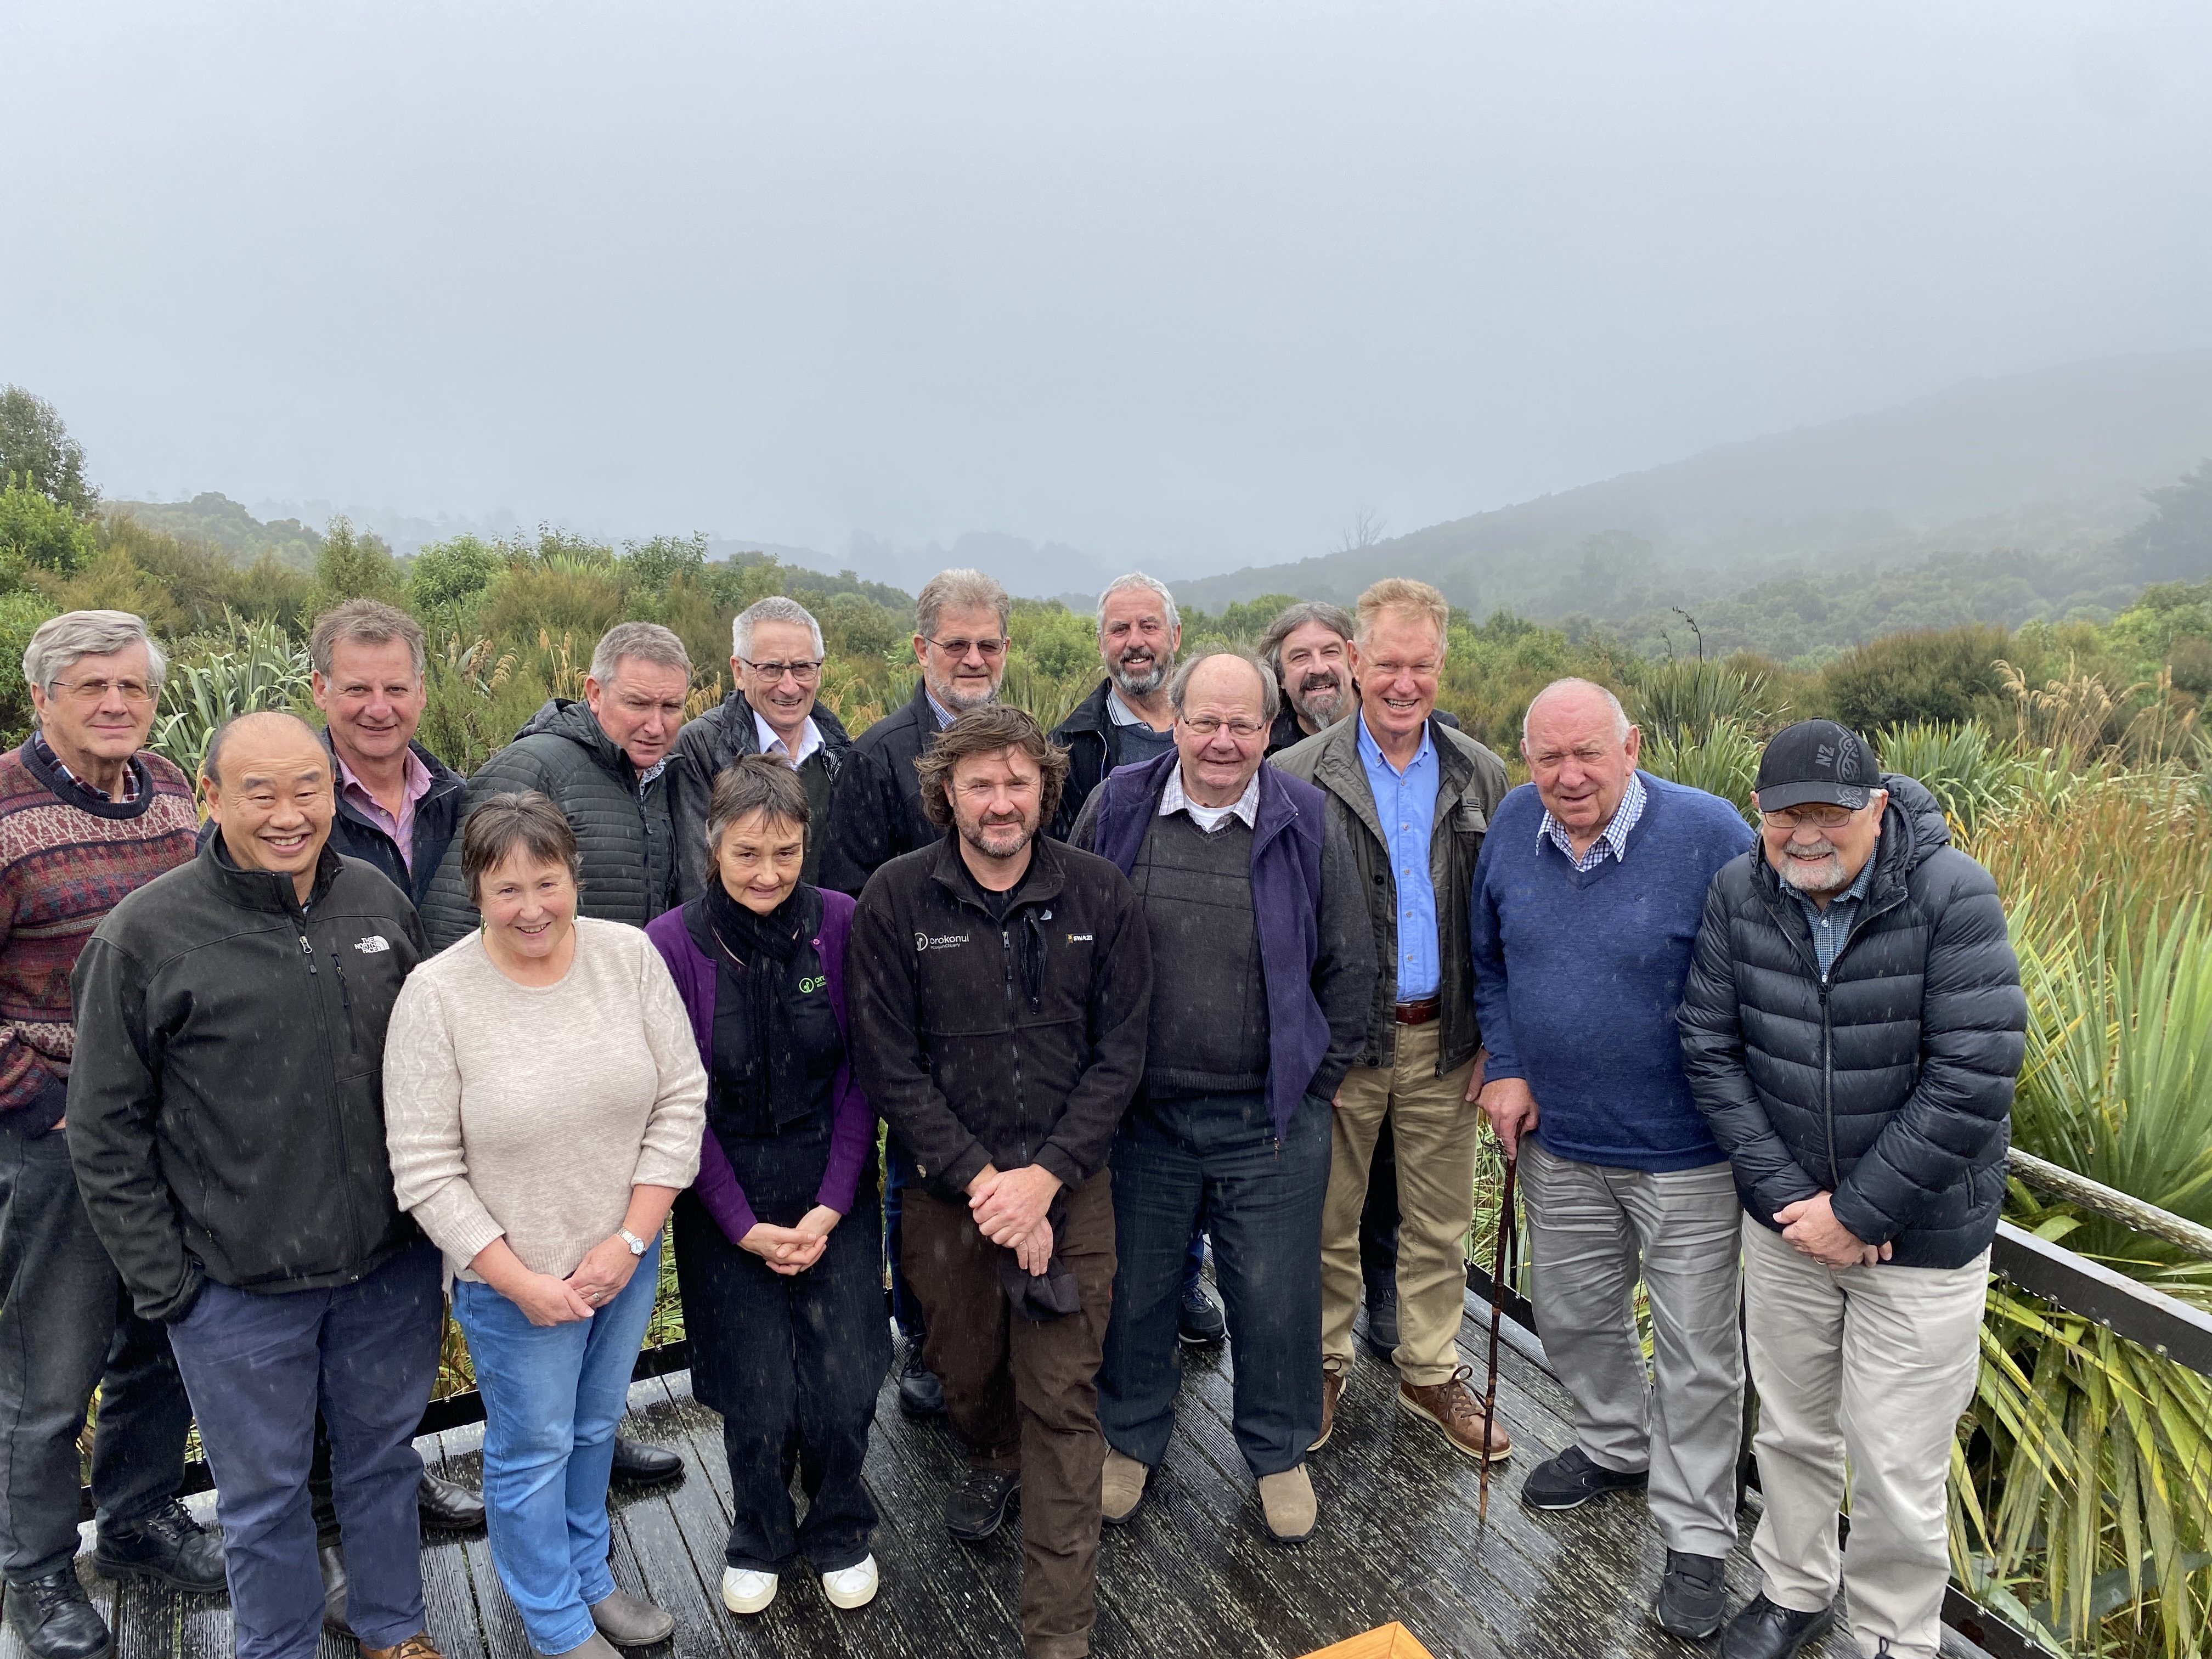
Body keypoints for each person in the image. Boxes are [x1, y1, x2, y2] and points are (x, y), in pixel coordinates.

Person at [67, 711, 443, 1659]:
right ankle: (276, 1646)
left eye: (306, 786)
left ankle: (392, 1626)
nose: (288, 813)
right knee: (263, 1494)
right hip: (234, 1288)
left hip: (388, 1269)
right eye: (259, 791)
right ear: (209, 795)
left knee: (382, 1462)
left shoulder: (375, 900)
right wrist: (171, 1287)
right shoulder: (145, 936)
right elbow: (106, 1131)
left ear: (333, 787)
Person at [1679, 719, 2026, 1659]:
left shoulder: (1951, 893)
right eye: (1784, 812)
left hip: (1916, 1241)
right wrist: (1797, 1200)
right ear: (1759, 813)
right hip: (1789, 1226)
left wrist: (1860, 1210)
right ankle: (1793, 1589)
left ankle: (1888, 1632)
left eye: (1828, 812)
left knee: (1896, 1459)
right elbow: (1708, 1048)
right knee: (1789, 1429)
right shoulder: (1737, 891)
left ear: (1876, 806)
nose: (1804, 833)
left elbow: (1976, 1071)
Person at [849, 706, 1149, 1659]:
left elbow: (1122, 1054)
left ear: (1044, 789)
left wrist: (1045, 1180)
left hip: (1074, 1191)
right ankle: (988, 1448)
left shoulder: (1100, 894)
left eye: (1018, 781)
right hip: (949, 1197)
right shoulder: (896, 900)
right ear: (946, 793)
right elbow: (888, 1063)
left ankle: (1056, 1633)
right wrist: (990, 1182)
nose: (1000, 801)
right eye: (979, 783)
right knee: (965, 1371)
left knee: (1062, 1399)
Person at [383, 792, 707, 1659]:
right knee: (532, 1450)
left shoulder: (629, 958)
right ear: (475, 894)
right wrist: (520, 1282)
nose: (532, 908)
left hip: (623, 1260)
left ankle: (589, 1573)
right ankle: (556, 1621)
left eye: (548, 883)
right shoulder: (437, 995)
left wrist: (631, 1241)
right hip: (511, 1283)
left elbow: (680, 1100)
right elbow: (423, 1168)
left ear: (575, 877)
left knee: (597, 1427)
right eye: (507, 890)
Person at [1469, 678, 1756, 1641]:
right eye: (1547, 756)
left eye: (1587, 752)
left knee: (1696, 1355)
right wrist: (1504, 1064)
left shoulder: (1710, 832)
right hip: (1563, 1143)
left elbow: (1764, 968)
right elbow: (1492, 963)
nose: (1568, 774)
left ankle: (1696, 1535)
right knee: (1577, 1315)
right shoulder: (1514, 825)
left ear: (1630, 745)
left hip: (1688, 1153)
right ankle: (1614, 1443)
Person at [1070, 651, 1373, 1544]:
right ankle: (1128, 1440)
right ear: (1175, 718)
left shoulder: (1306, 819)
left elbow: (1350, 967)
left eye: (1243, 723)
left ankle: (1277, 1452)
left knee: (1275, 1294)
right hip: (1143, 1118)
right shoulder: (1119, 804)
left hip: (1269, 1122)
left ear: (1268, 729)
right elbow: (1074, 935)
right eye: (1205, 719)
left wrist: (1313, 1087)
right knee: (1136, 1288)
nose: (1222, 739)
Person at [413, 623, 695, 1488]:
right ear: (595, 690)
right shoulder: (530, 771)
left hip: (618, 1061)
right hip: (532, 1081)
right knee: (537, 1378)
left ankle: (594, 1441)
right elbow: (464, 923)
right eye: (637, 702)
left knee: (612, 1285)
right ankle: (563, 1471)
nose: (654, 722)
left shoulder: (665, 777)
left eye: (672, 706)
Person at [0, 612, 222, 1659]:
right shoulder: (4, 809)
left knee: (159, 1334)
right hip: (51, 1131)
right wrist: (38, 1103)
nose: (116, 704)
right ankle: (36, 1570)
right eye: (92, 686)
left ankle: (138, 1516)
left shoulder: (172, 786)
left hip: (170, 1124)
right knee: (47, 1371)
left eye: (132, 686)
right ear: (41, 695)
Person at [1272, 578, 1513, 1465]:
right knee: (1326, 1218)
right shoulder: (1295, 775)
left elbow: (1494, 919)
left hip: (1442, 1038)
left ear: (1439, 664)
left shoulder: (1481, 772)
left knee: (1440, 1219)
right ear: (1355, 661)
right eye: (1387, 663)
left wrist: (1494, 1038)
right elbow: (1277, 927)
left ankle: (1427, 1367)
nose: (1403, 682)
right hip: (1338, 1041)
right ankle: (1324, 1363)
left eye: (1421, 665)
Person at [648, 758, 889, 1618]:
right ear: (713, 847)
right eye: (747, 853)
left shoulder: (843, 925)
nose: (767, 873)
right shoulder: (670, 944)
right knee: (754, 1381)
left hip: (836, 1176)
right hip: (722, 1187)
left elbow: (866, 1073)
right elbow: (679, 1101)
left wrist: (833, 1199)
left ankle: (839, 1524)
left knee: (847, 1370)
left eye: (785, 852)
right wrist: (742, 1223)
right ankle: (758, 1531)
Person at [820, 567, 1013, 1419]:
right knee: (921, 1182)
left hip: (1016, 1019)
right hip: (924, 1020)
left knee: (1007, 1174)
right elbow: (851, 892)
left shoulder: (1021, 745)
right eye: (956, 645)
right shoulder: (876, 755)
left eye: (988, 645)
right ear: (921, 648)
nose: (972, 660)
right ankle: (928, 1342)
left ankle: (1005, 1332)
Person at [1260, 599, 1405, 1357]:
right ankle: (1311, 1338)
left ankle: (1386, 1291)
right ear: (1279, 680)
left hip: (1402, 1000)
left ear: (1353, 658)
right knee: (1319, 1176)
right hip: (1308, 1005)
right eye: (1296, 658)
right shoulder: (1268, 762)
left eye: (1327, 651)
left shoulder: (1414, 749)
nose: (1316, 668)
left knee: (1392, 1169)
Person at [672, 596, 854, 897]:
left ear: (819, 671)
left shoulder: (838, 751)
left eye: (802, 667)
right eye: (771, 668)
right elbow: (699, 875)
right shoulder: (701, 746)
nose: (789, 685)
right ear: (739, 672)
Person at [308, 599, 467, 907]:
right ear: (321, 690)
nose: (380, 710)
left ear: (420, 691)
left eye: (396, 689)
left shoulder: (457, 802)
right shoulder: (281, 810)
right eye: (358, 690)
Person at [1048, 572, 1181, 837]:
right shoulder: (1066, 749)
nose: (1135, 642)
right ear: (1101, 644)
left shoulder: (1219, 728)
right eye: (1120, 630)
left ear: (1175, 636)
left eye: (1149, 626)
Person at [1259, 600, 1357, 756]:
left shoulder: (1394, 723)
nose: (1318, 669)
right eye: (1301, 656)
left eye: (1330, 652)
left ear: (1354, 663)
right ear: (1280, 676)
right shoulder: (1264, 750)